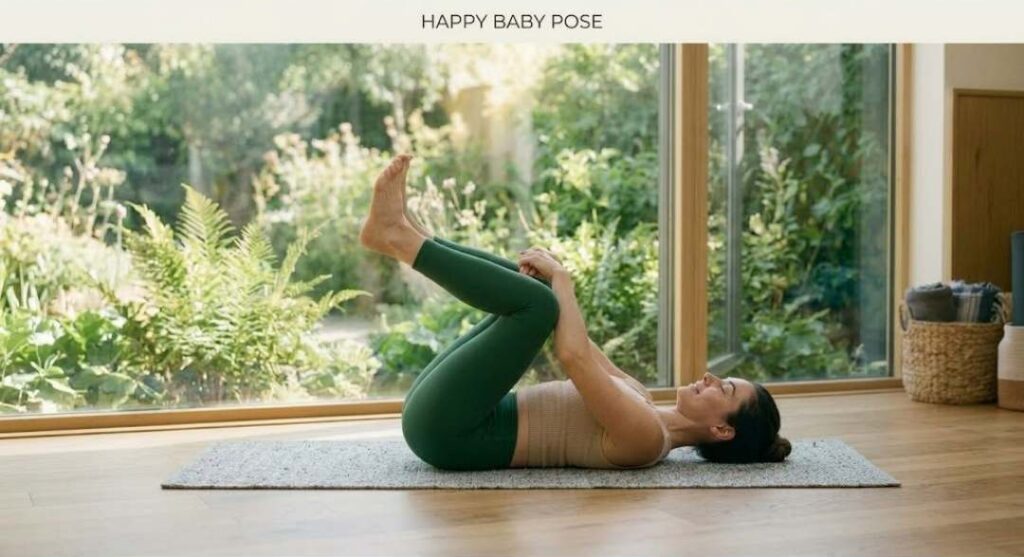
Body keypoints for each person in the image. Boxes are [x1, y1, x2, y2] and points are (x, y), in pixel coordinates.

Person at [360, 154, 792, 471]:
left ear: (722, 431)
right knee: (538, 295)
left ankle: (398, 237)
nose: (711, 377)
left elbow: (572, 358)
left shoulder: (647, 441)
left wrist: (562, 282)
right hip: (451, 411)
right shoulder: (640, 396)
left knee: (540, 304)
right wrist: (550, 281)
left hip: (451, 434)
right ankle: (410, 232)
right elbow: (579, 342)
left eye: (726, 390)